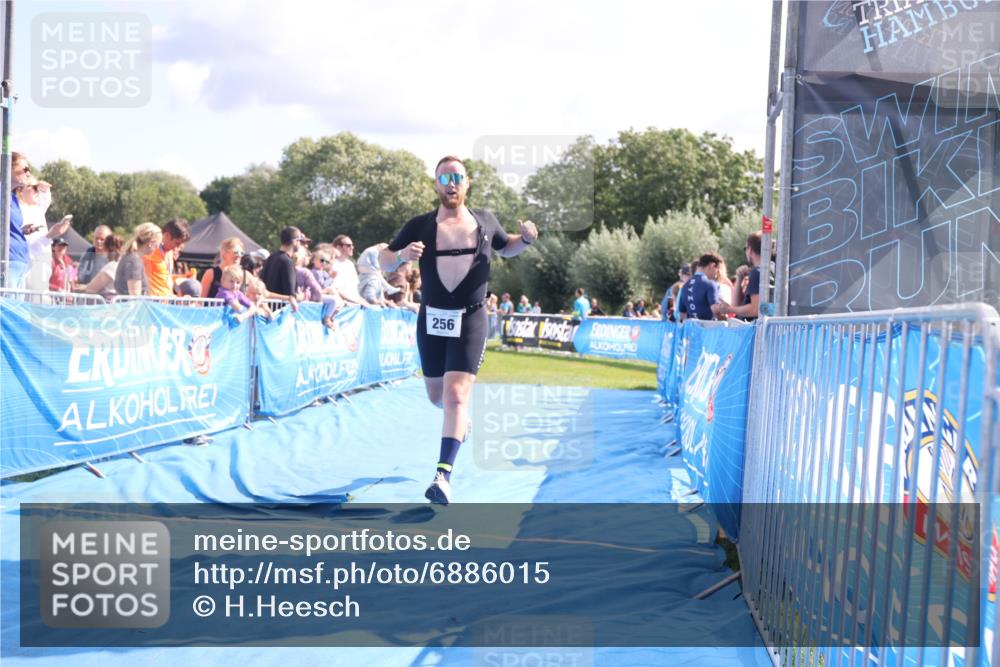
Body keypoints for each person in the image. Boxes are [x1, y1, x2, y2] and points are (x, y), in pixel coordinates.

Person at [379, 155, 538, 505]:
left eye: (457, 177)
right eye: (444, 177)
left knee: (455, 396)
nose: (451, 183)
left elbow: (507, 246)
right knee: (438, 397)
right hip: (433, 319)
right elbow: (384, 260)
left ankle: (442, 475)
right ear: (436, 184)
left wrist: (525, 239)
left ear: (467, 183)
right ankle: (459, 422)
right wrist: (404, 255)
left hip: (471, 318)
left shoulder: (484, 220)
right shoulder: (419, 225)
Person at [719, 231, 764, 321]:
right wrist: (739, 278)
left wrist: (728, 309)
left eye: (745, 248)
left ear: (750, 250)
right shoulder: (770, 269)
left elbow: (755, 309)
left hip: (754, 331)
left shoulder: (757, 272)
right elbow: (737, 305)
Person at [143, 218, 191, 297]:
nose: (178, 247)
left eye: (182, 243)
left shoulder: (170, 252)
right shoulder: (150, 250)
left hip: (165, 303)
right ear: (166, 235)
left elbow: (164, 278)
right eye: (177, 243)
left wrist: (184, 278)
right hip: (151, 304)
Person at [6, 152, 32, 289]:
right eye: (25, 169)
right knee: (6, 309)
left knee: (16, 309)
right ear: (9, 167)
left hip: (20, 260)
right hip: (6, 261)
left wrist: (22, 230)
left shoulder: (14, 198)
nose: (28, 174)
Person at [116, 223, 162, 296]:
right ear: (151, 243)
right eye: (157, 245)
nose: (157, 248)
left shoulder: (130, 257)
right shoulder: (134, 262)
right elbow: (135, 296)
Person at [74, 234, 123, 302]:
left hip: (108, 307)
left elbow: (91, 289)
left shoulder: (111, 267)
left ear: (105, 248)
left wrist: (79, 288)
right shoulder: (121, 265)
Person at [261, 226, 305, 297]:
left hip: (268, 305)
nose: (300, 244)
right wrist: (300, 296)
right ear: (295, 242)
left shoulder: (271, 257)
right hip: (281, 307)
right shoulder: (287, 262)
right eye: (300, 241)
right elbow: (290, 293)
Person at [683, 252, 725, 321]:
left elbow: (681, 315)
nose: (716, 275)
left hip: (692, 330)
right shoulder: (711, 284)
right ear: (712, 265)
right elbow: (715, 311)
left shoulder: (685, 286)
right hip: (708, 329)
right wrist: (726, 321)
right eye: (717, 271)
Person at [330, 234, 367, 306]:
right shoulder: (332, 265)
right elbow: (335, 290)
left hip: (355, 307)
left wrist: (363, 301)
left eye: (352, 245)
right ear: (338, 247)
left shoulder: (350, 264)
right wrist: (355, 302)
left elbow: (354, 290)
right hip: (342, 307)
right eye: (348, 245)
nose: (352, 247)